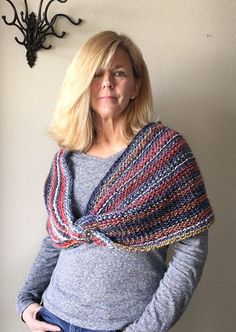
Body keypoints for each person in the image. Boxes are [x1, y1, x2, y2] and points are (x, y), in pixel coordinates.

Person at [16, 31, 214, 332]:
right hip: (54, 316)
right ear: (84, 84)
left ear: (135, 86)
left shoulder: (166, 153)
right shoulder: (67, 158)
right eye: (96, 74)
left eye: (118, 72)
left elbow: (192, 249)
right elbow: (56, 237)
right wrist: (26, 302)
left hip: (125, 325)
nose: (107, 82)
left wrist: (146, 328)